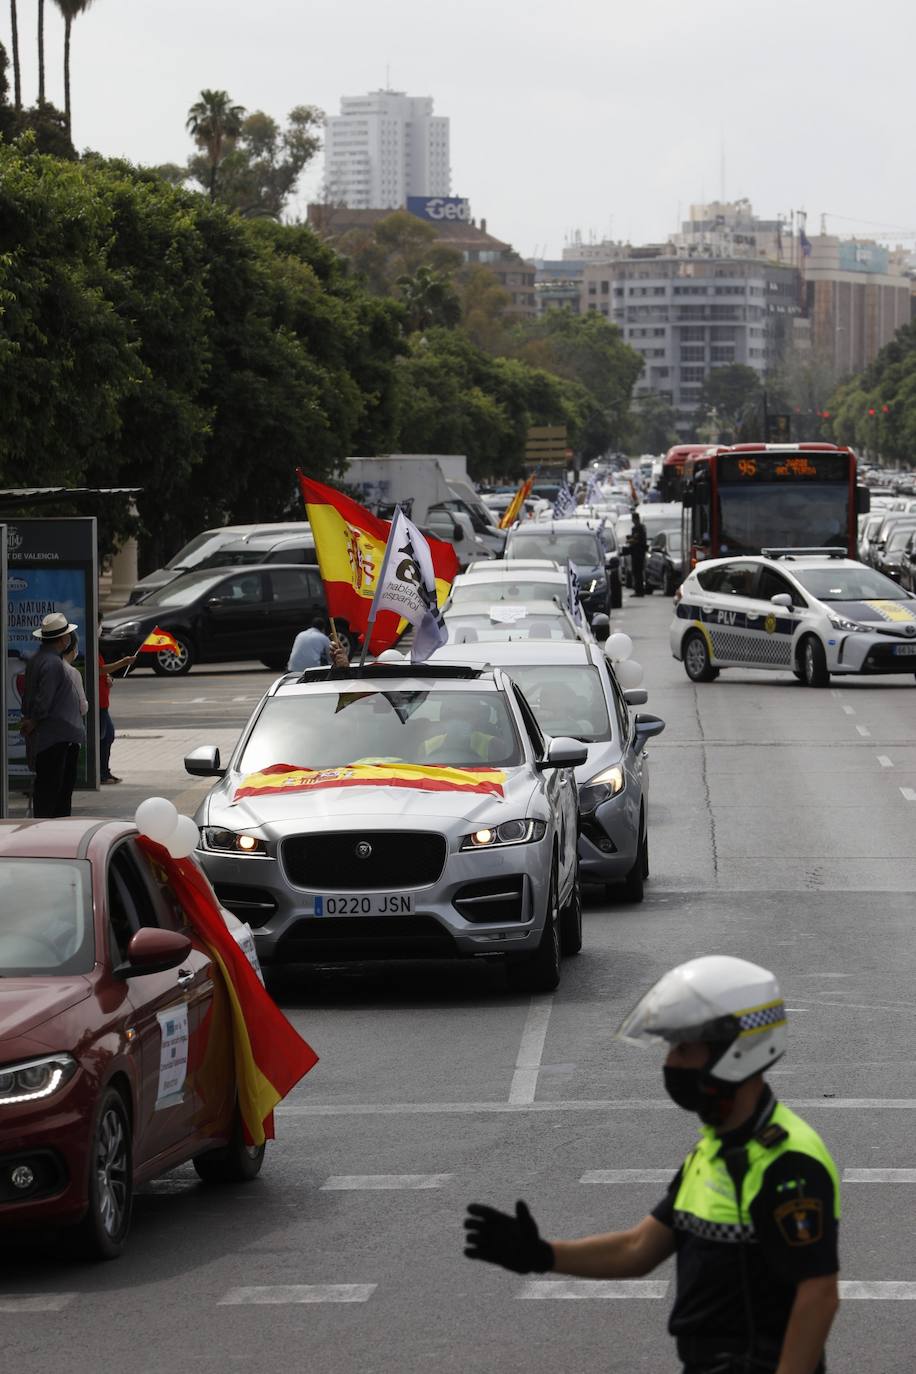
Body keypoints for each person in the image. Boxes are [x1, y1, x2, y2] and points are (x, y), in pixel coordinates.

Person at [464, 956, 840, 1374]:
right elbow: (638, 1249)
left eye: (684, 1048)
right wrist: (543, 1255)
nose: (670, 1064)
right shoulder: (714, 1151)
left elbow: (818, 1292)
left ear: (738, 1050)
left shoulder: (787, 1161)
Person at [20, 612, 87, 818]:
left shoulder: (37, 660)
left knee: (49, 791)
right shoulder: (53, 664)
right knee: (56, 794)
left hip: (51, 737)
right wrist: (35, 720)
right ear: (63, 639)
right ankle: (52, 835)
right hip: (57, 737)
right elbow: (45, 699)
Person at [98, 618, 138, 784]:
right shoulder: (89, 648)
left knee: (107, 736)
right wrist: (123, 662)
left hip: (103, 701)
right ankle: (101, 773)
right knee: (105, 737)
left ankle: (104, 772)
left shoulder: (96, 649)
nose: (100, 628)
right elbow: (99, 670)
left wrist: (108, 677)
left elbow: (102, 672)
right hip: (97, 703)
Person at [628, 510, 648, 596]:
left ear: (635, 519)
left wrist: (630, 540)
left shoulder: (638, 528)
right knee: (637, 572)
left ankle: (639, 591)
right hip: (639, 553)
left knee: (637, 573)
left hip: (638, 553)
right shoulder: (641, 527)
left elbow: (637, 540)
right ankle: (639, 590)